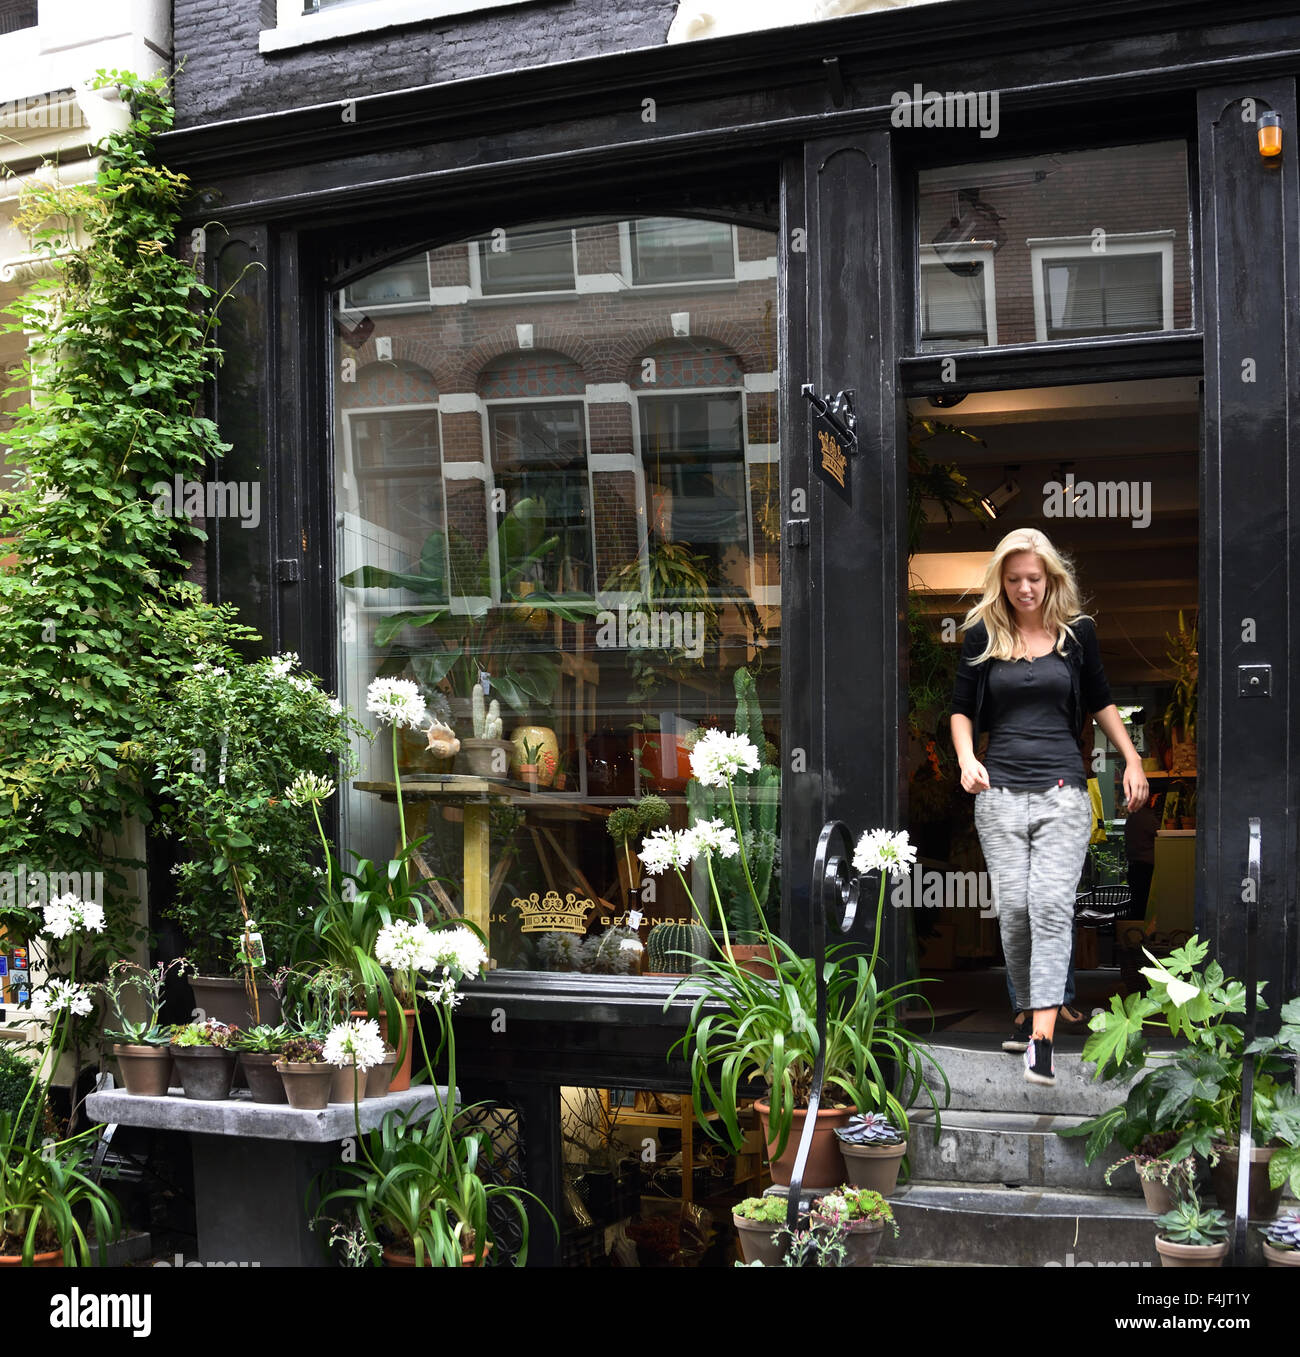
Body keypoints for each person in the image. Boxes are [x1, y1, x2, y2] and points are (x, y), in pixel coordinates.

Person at [950, 528, 1147, 1085]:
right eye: (1013, 580)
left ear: (1051, 577)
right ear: (1000, 581)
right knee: (1014, 911)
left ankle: (1040, 1039)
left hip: (1063, 790)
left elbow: (1103, 699)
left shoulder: (1076, 634)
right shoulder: (982, 632)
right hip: (999, 793)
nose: (1024, 589)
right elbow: (962, 708)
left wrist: (1131, 759)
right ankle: (1036, 1003)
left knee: (1051, 907)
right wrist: (967, 757)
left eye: (1033, 579)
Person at [1124, 791, 1160, 921]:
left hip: (1135, 866)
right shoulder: (1147, 817)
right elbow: (1160, 835)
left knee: (1137, 902)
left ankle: (1136, 933)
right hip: (1146, 867)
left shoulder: (1132, 817)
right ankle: (1143, 933)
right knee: (1145, 903)